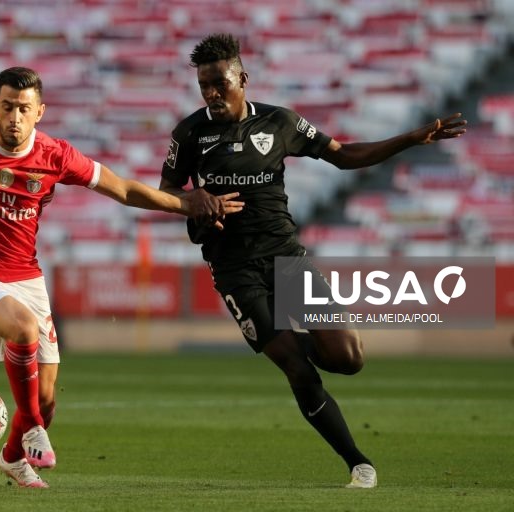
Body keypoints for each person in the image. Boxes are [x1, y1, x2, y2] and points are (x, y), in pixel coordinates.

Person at [0, 66, 243, 488]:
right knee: (23, 334)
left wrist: (185, 205)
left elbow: (122, 189)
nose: (14, 118)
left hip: (26, 277)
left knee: (44, 400)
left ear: (39, 112)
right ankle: (30, 433)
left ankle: (12, 458)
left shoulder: (55, 156)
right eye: (6, 107)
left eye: (23, 109)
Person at [159, 33, 467, 489]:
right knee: (296, 367)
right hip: (235, 270)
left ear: (242, 78)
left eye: (219, 83)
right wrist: (193, 199)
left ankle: (278, 337)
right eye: (203, 85)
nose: (211, 94)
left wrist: (410, 139)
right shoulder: (189, 134)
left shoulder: (280, 123)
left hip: (287, 259)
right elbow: (165, 191)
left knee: (347, 358)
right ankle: (358, 463)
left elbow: (342, 156)